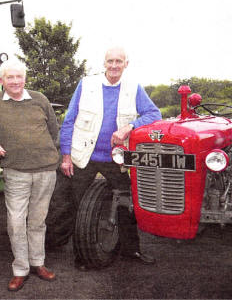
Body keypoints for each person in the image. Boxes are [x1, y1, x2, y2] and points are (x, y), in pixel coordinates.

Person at [59, 46, 162, 270]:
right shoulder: (86, 84)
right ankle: (82, 257)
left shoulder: (133, 88)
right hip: (82, 156)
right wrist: (66, 156)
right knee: (78, 205)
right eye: (110, 61)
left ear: (127, 63)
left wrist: (130, 126)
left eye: (119, 61)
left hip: (117, 158)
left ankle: (130, 250)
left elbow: (154, 114)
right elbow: (69, 120)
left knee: (126, 203)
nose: (114, 65)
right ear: (103, 63)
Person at [0, 60, 59, 292]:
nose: (14, 82)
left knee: (38, 221)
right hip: (15, 172)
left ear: (25, 79)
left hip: (45, 171)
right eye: (9, 77)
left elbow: (54, 131)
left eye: (18, 77)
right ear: (1, 81)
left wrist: (51, 157)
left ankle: (38, 263)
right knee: (15, 223)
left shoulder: (40, 99)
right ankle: (20, 269)